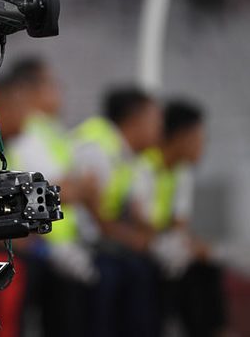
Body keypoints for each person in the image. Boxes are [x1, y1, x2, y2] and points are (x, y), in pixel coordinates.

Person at [7, 57, 94, 337]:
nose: (59, 91)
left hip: (53, 243)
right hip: (40, 243)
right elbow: (56, 190)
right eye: (52, 84)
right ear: (30, 89)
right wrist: (77, 187)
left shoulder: (48, 130)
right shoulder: (27, 131)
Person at [70, 86, 163, 337]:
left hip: (100, 242)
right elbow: (94, 217)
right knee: (120, 276)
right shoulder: (97, 148)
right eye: (155, 120)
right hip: (78, 243)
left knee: (145, 269)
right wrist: (135, 240)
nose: (160, 129)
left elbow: (133, 212)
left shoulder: (129, 155)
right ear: (135, 120)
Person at [134, 99, 228, 337]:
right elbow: (140, 221)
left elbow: (180, 223)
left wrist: (191, 246)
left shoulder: (181, 172)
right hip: (138, 245)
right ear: (182, 136)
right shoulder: (144, 165)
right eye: (199, 138)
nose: (202, 146)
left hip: (162, 244)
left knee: (206, 265)